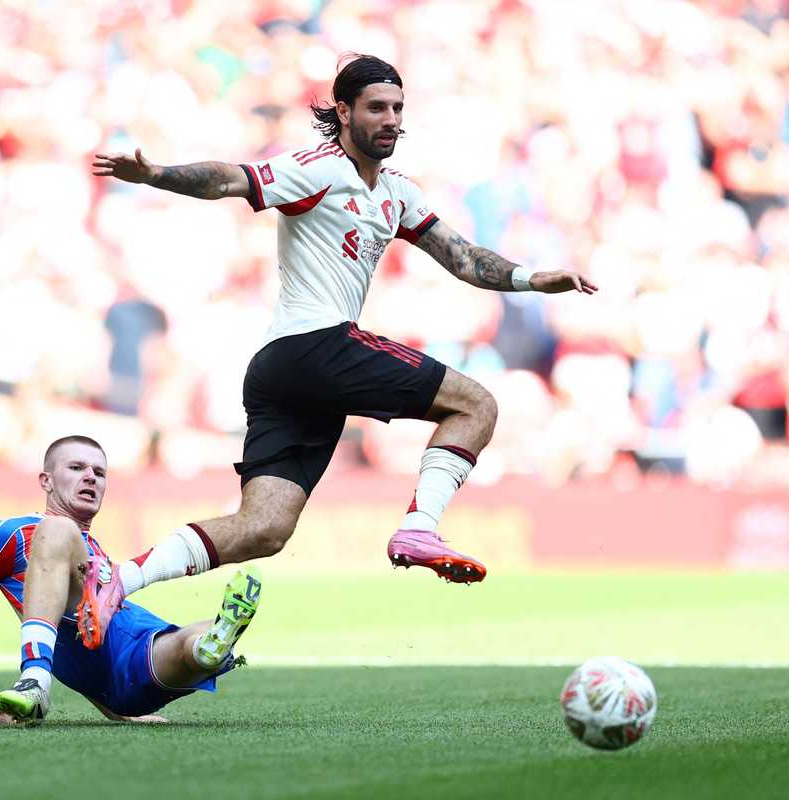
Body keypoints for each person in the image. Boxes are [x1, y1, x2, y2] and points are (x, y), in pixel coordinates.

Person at [90, 54, 596, 616]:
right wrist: (156, 175)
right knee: (475, 405)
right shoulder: (319, 169)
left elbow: (463, 258)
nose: (390, 119)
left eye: (397, 108)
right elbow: (233, 179)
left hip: (286, 371)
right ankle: (419, 528)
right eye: (376, 107)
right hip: (315, 344)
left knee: (263, 528)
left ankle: (117, 580)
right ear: (344, 111)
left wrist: (530, 280)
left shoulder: (398, 193)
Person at [0, 435, 261, 724]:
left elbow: (84, 650)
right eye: (76, 468)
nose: (91, 477)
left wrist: (116, 712)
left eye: (99, 473)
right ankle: (34, 679)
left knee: (195, 642)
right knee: (58, 529)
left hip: (130, 672)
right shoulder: (13, 533)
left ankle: (207, 647)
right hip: (122, 671)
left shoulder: (93, 548)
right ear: (46, 481)